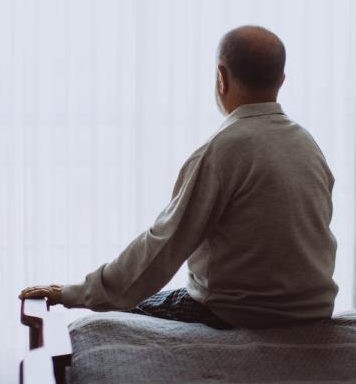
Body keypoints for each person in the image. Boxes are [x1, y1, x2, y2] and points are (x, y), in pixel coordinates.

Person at [19, 25, 338, 328]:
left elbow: (164, 244)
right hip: (311, 312)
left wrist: (73, 293)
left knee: (117, 311)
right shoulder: (307, 144)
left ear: (221, 77)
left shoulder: (224, 149)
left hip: (238, 313)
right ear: (281, 80)